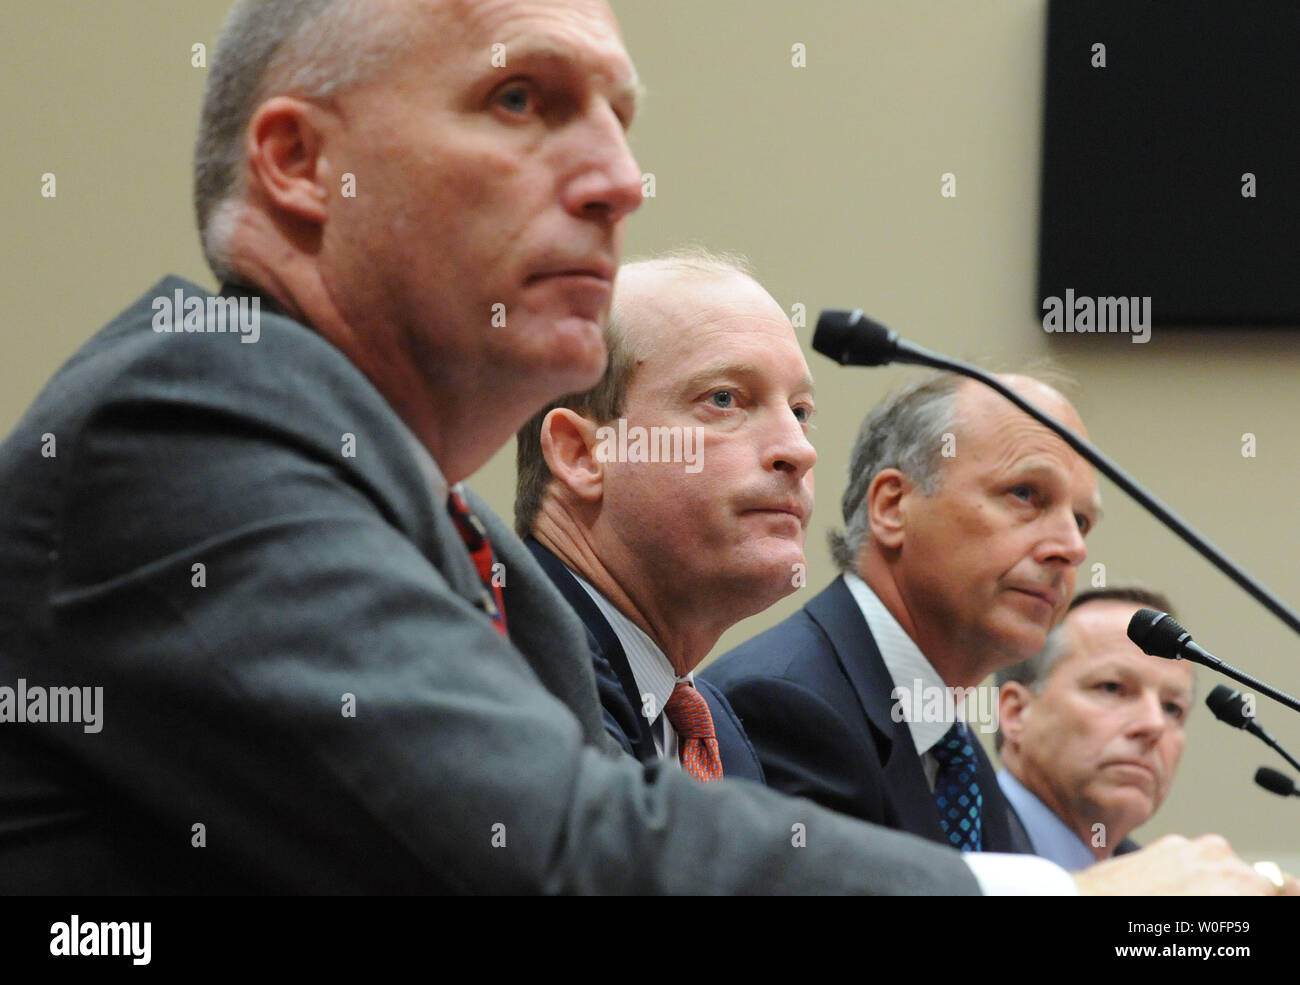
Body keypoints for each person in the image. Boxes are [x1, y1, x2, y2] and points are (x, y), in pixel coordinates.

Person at [0, 0, 1285, 895]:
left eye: (619, 118)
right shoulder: (184, 417)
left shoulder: (498, 582)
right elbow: (550, 855)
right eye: (523, 99)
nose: (618, 176)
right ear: (299, 163)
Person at [706, 371, 1101, 853]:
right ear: (893, 507)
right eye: (1025, 494)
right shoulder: (782, 707)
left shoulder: (957, 754)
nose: (1071, 548)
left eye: (1081, 520)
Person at [514, 251, 818, 783]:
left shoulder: (716, 730)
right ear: (582, 453)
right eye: (724, 399)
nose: (798, 449)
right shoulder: (514, 663)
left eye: (799, 412)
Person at [994, 587, 1195, 869]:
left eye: (1172, 707)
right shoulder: (944, 842)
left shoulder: (1157, 883)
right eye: (1112, 688)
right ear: (1016, 713)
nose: (1154, 724)